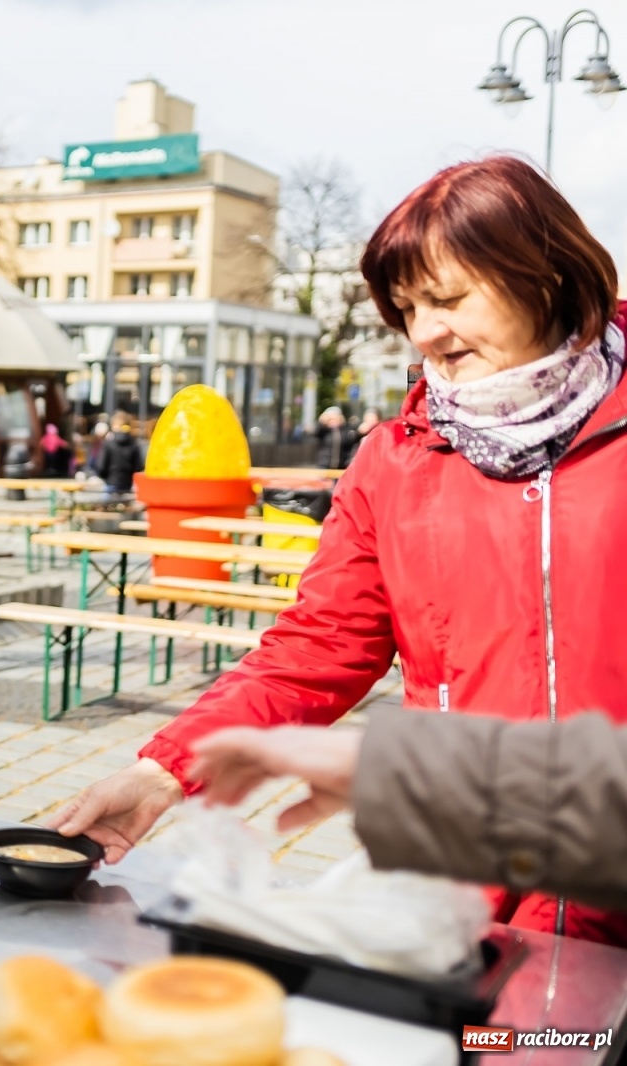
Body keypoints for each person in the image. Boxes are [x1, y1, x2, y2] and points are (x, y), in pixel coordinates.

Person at [47, 155, 627, 945]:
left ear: (548, 275)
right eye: (408, 308)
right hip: (468, 890)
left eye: (449, 299)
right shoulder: (396, 461)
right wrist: (164, 770)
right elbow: (318, 646)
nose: (425, 332)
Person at [189, 713, 627, 911]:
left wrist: (403, 768)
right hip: (462, 854)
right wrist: (167, 767)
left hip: (561, 870)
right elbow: (326, 629)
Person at [95, 418, 142, 493]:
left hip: (111, 482)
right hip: (127, 484)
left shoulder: (108, 444)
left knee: (109, 504)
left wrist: (105, 477)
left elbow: (101, 466)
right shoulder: (134, 445)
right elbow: (138, 467)